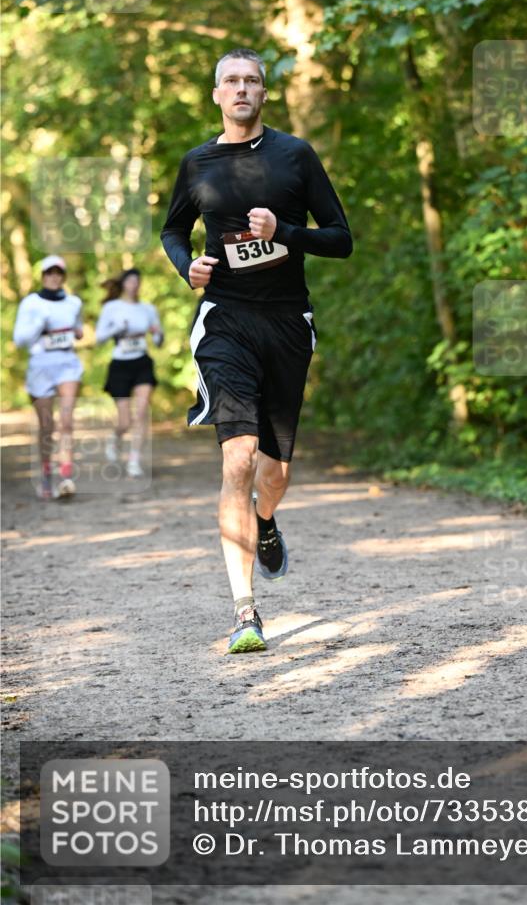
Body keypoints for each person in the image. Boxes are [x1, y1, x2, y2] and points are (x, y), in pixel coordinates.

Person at [160, 47, 352, 654]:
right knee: (236, 460)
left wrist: (285, 234)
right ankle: (246, 612)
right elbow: (171, 229)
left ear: (264, 94)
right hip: (226, 320)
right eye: (230, 81)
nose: (241, 89)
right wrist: (187, 265)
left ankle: (265, 519)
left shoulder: (295, 155)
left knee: (274, 474)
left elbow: (341, 240)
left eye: (252, 81)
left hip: (287, 322)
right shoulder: (197, 164)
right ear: (216, 94)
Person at [12, 255, 84, 500]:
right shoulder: (31, 303)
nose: (54, 276)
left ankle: (65, 478)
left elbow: (79, 329)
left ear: (63, 276)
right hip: (41, 365)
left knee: (66, 422)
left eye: (58, 273)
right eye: (49, 273)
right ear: (42, 276)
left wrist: (78, 331)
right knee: (47, 426)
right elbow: (19, 340)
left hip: (67, 363)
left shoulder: (73, 302)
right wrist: (40, 325)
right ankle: (45, 475)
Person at [95, 268, 163, 477]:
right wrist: (117, 329)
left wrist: (157, 334)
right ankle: (115, 439)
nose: (134, 284)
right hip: (120, 365)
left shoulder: (148, 309)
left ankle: (134, 460)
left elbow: (159, 341)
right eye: (131, 281)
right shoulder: (111, 307)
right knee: (125, 420)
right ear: (124, 283)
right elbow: (99, 338)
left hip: (142, 362)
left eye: (137, 281)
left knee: (141, 412)